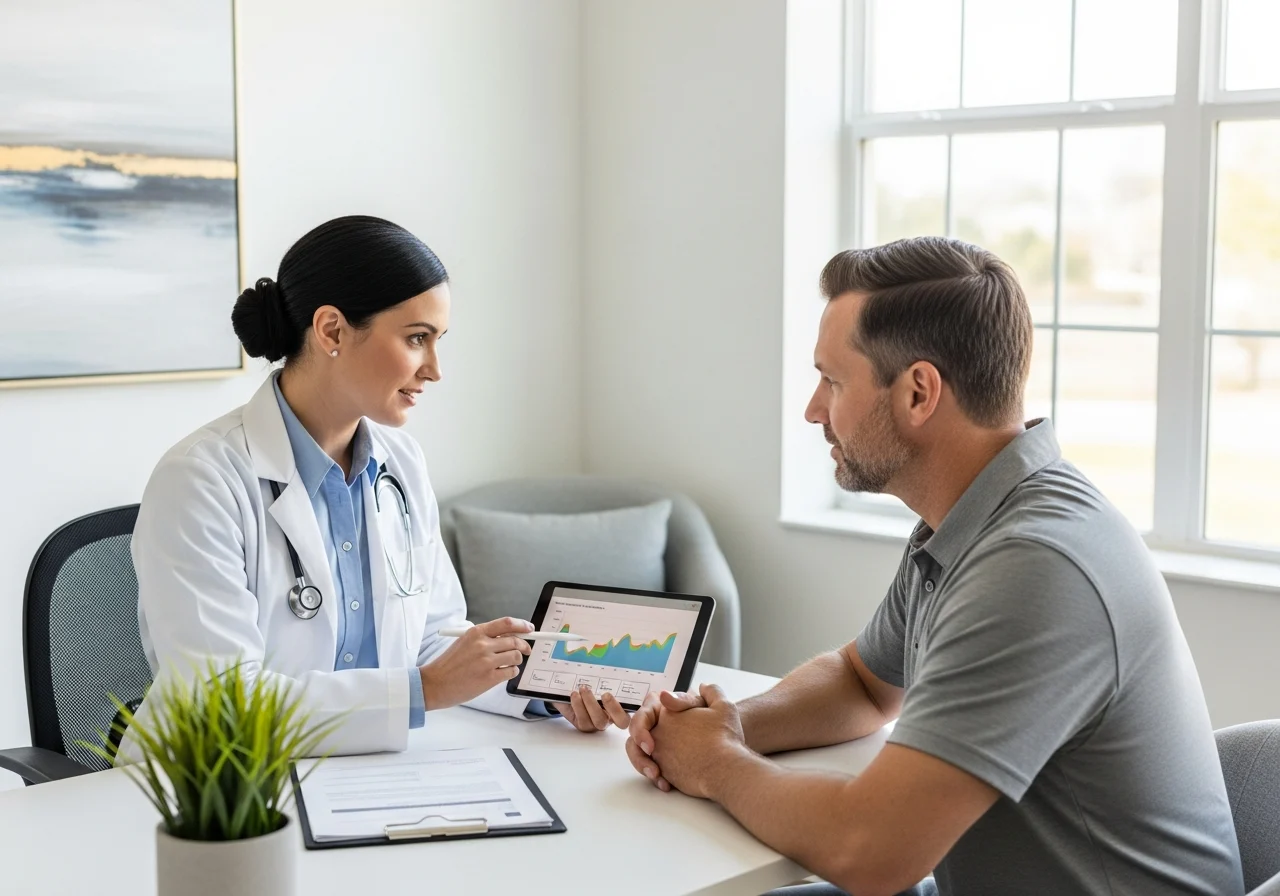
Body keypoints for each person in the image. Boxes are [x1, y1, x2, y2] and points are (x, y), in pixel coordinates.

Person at [623, 237, 1244, 896]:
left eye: (832, 381)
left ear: (918, 392)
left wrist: (716, 763)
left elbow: (871, 853)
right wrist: (729, 725)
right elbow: (862, 682)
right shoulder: (971, 517)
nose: (813, 410)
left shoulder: (1034, 567)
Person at [121, 215, 624, 761]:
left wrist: (540, 688)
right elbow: (221, 705)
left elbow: (432, 638)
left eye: (438, 341)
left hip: (371, 773)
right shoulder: (200, 480)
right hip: (229, 795)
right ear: (332, 330)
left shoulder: (400, 462)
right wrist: (422, 691)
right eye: (416, 339)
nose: (434, 370)